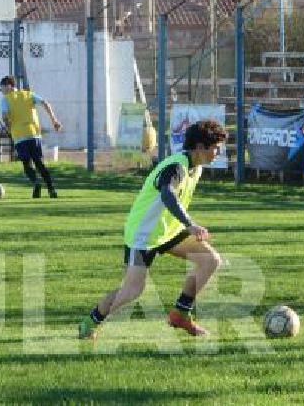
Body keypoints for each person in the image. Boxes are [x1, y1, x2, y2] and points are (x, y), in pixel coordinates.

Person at [78, 120, 228, 340]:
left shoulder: (196, 167)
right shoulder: (177, 166)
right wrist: (190, 225)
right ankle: (91, 321)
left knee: (210, 260)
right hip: (144, 235)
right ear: (199, 147)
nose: (218, 152)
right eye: (215, 147)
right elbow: (167, 194)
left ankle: (180, 313)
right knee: (132, 291)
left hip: (168, 232)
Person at [0, 76, 63, 198]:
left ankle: (36, 183)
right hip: (34, 134)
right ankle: (51, 189)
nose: (2, 91)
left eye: (2, 88)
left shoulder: (5, 99)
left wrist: (8, 126)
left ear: (9, 86)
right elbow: (45, 103)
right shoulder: (29, 94)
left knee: (27, 165)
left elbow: (5, 116)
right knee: (39, 163)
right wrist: (54, 120)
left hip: (20, 136)